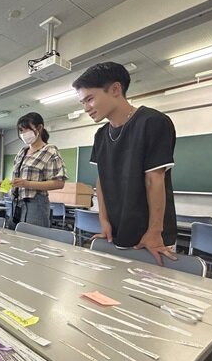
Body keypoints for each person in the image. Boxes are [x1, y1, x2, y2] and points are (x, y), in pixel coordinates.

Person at [72, 61, 177, 266]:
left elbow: (154, 180)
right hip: (116, 232)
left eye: (90, 99)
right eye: (82, 103)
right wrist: (103, 220)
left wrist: (154, 232)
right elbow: (102, 180)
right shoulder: (101, 135)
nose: (86, 108)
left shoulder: (153, 122)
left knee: (148, 296)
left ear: (115, 89)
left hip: (151, 238)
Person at [10, 112, 67, 228]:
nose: (23, 134)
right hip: (16, 204)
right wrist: (4, 185)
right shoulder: (22, 152)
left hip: (35, 205)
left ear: (39, 128)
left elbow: (59, 183)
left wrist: (28, 184)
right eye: (21, 131)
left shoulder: (50, 151)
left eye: (27, 130)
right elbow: (16, 180)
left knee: (33, 241)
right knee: (14, 239)